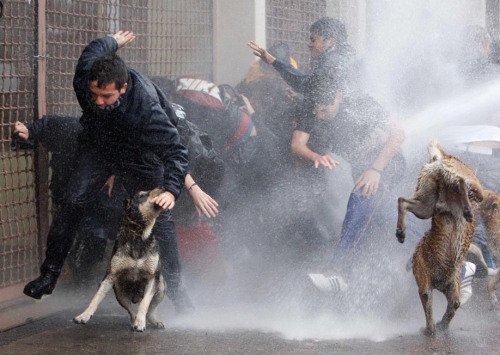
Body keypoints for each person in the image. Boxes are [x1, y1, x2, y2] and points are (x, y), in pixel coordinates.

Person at [16, 31, 194, 314]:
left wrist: (172, 189)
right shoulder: (86, 75)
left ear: (123, 88)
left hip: (139, 156)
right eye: (94, 94)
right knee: (73, 201)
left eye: (106, 96)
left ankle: (179, 293)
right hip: (99, 147)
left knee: (159, 220)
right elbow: (92, 49)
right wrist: (113, 41)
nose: (97, 101)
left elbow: (176, 152)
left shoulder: (146, 109)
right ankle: (48, 276)